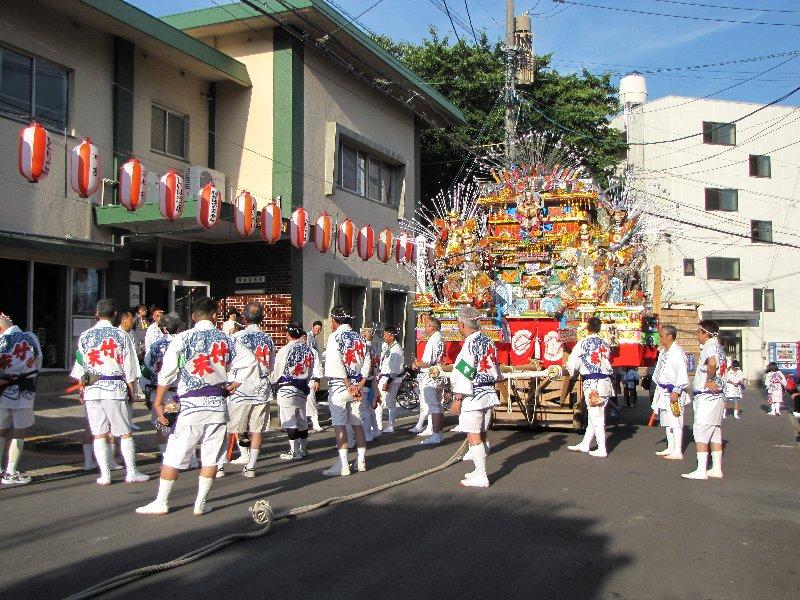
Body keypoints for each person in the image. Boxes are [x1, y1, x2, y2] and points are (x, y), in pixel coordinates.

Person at [136, 297, 254, 515]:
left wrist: (158, 400)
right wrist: (235, 383)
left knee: (174, 454)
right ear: (216, 315)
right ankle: (200, 502)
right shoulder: (226, 339)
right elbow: (250, 360)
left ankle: (162, 501)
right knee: (210, 456)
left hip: (191, 404)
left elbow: (167, 372)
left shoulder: (182, 338)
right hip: (218, 404)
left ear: (193, 316)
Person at [70, 299, 148, 486]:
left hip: (92, 388)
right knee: (125, 432)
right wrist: (132, 390)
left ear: (97, 313)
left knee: (99, 433)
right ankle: (131, 471)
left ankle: (105, 474)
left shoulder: (86, 335)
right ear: (115, 315)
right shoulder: (121, 336)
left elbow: (80, 364)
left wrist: (82, 387)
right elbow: (130, 366)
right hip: (114, 387)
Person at [449, 306, 502, 488]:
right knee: (481, 432)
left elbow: (466, 371)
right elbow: (495, 367)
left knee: (474, 435)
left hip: (473, 394)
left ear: (462, 323)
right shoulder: (488, 341)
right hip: (488, 392)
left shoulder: (470, 343)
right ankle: (479, 469)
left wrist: (457, 398)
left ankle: (481, 474)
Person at [227, 302, 275, 477]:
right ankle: (251, 466)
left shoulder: (236, 337)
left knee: (231, 427)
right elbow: (271, 365)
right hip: (261, 386)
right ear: (261, 318)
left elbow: (228, 362)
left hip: (240, 385)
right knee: (257, 428)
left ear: (244, 318)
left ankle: (220, 466)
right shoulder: (268, 339)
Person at [322, 305, 370, 477]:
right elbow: (367, 364)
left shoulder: (335, 337)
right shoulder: (360, 338)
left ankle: (343, 465)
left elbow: (336, 362)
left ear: (334, 321)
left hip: (340, 386)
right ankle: (361, 460)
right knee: (357, 423)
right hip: (357, 385)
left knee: (339, 425)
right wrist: (360, 384)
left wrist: (348, 384)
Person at [0, 312, 42, 485]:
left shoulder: (2, 341)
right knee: (19, 430)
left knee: (0, 429)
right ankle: (11, 471)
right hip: (25, 390)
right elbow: (38, 360)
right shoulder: (30, 337)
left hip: (2, 390)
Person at [562, 316, 613, 458]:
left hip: (594, 383)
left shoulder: (582, 343)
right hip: (606, 382)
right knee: (593, 415)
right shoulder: (605, 343)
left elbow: (573, 364)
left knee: (596, 416)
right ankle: (585, 443)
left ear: (587, 328)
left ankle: (602, 447)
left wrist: (567, 371)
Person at [683, 320, 726, 480]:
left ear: (705, 333)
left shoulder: (710, 347)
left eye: (698, 332)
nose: (697, 336)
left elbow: (712, 364)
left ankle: (701, 469)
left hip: (707, 395)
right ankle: (716, 467)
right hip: (718, 395)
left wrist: (709, 379)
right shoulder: (719, 347)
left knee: (700, 430)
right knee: (715, 431)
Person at [272, 323, 321, 461]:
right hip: (303, 386)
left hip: (287, 386)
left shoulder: (285, 349)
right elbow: (311, 369)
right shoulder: (309, 350)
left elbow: (277, 370)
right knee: (301, 419)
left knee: (290, 420)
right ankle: (303, 449)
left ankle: (294, 451)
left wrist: (272, 381)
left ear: (288, 334)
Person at [140, 312, 183, 457]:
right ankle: (180, 455)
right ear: (178, 327)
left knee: (161, 424)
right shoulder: (182, 343)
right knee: (177, 424)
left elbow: (146, 369)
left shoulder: (155, 346)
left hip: (156, 390)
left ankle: (165, 454)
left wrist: (145, 389)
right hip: (175, 390)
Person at [651, 325, 689, 460]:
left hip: (673, 390)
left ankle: (678, 450)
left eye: (661, 336)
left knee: (676, 419)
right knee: (666, 420)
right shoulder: (663, 352)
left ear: (670, 336)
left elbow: (682, 374)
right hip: (663, 390)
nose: (659, 338)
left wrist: (676, 391)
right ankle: (671, 446)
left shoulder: (678, 352)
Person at [412, 316, 446, 445]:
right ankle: (439, 433)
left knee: (433, 405)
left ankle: (436, 434)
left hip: (431, 375)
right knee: (438, 404)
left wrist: (416, 363)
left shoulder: (433, 340)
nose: (424, 327)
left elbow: (426, 362)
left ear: (432, 327)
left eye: (426, 325)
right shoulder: (441, 338)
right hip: (438, 374)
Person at [376, 325, 404, 433]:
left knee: (390, 403)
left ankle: (390, 425)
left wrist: (388, 382)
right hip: (383, 376)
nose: (383, 336)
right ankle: (378, 425)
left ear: (392, 336)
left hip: (390, 378)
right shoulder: (386, 346)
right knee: (379, 402)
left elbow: (395, 369)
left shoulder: (396, 350)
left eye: (385, 335)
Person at [117, 309, 142, 430]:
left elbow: (136, 348)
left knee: (132, 396)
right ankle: (123, 422)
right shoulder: (118, 334)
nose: (132, 322)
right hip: (123, 371)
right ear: (123, 320)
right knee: (124, 397)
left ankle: (129, 420)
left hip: (133, 367)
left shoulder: (132, 333)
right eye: (130, 320)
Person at [359, 327, 380, 441]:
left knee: (364, 409)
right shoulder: (374, 348)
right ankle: (375, 430)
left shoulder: (364, 348)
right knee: (370, 408)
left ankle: (367, 434)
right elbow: (376, 366)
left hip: (364, 380)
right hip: (372, 380)